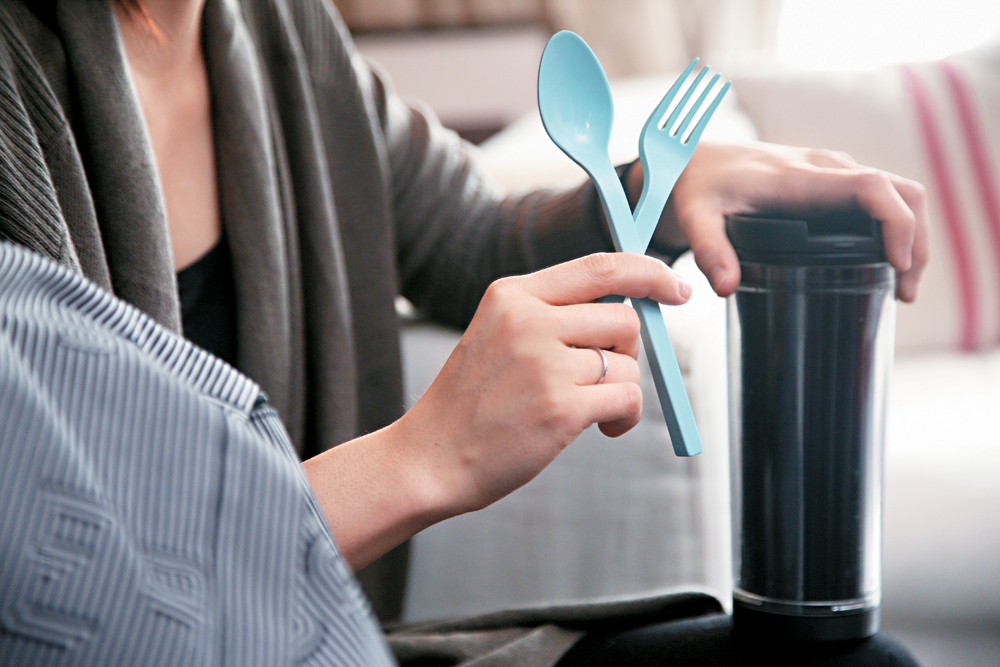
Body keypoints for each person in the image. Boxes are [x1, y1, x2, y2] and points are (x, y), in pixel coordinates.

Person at [0, 0, 928, 664]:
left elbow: (468, 237)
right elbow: (80, 584)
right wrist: (419, 458)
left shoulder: (282, 32)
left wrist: (655, 190)